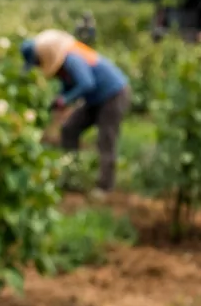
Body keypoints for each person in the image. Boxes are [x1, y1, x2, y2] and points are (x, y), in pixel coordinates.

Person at [21, 30, 131, 194]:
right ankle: (72, 174)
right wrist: (60, 98)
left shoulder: (72, 58)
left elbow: (86, 83)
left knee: (106, 139)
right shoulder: (63, 64)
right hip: (95, 99)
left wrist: (65, 100)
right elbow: (69, 86)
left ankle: (105, 187)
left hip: (113, 95)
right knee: (69, 128)